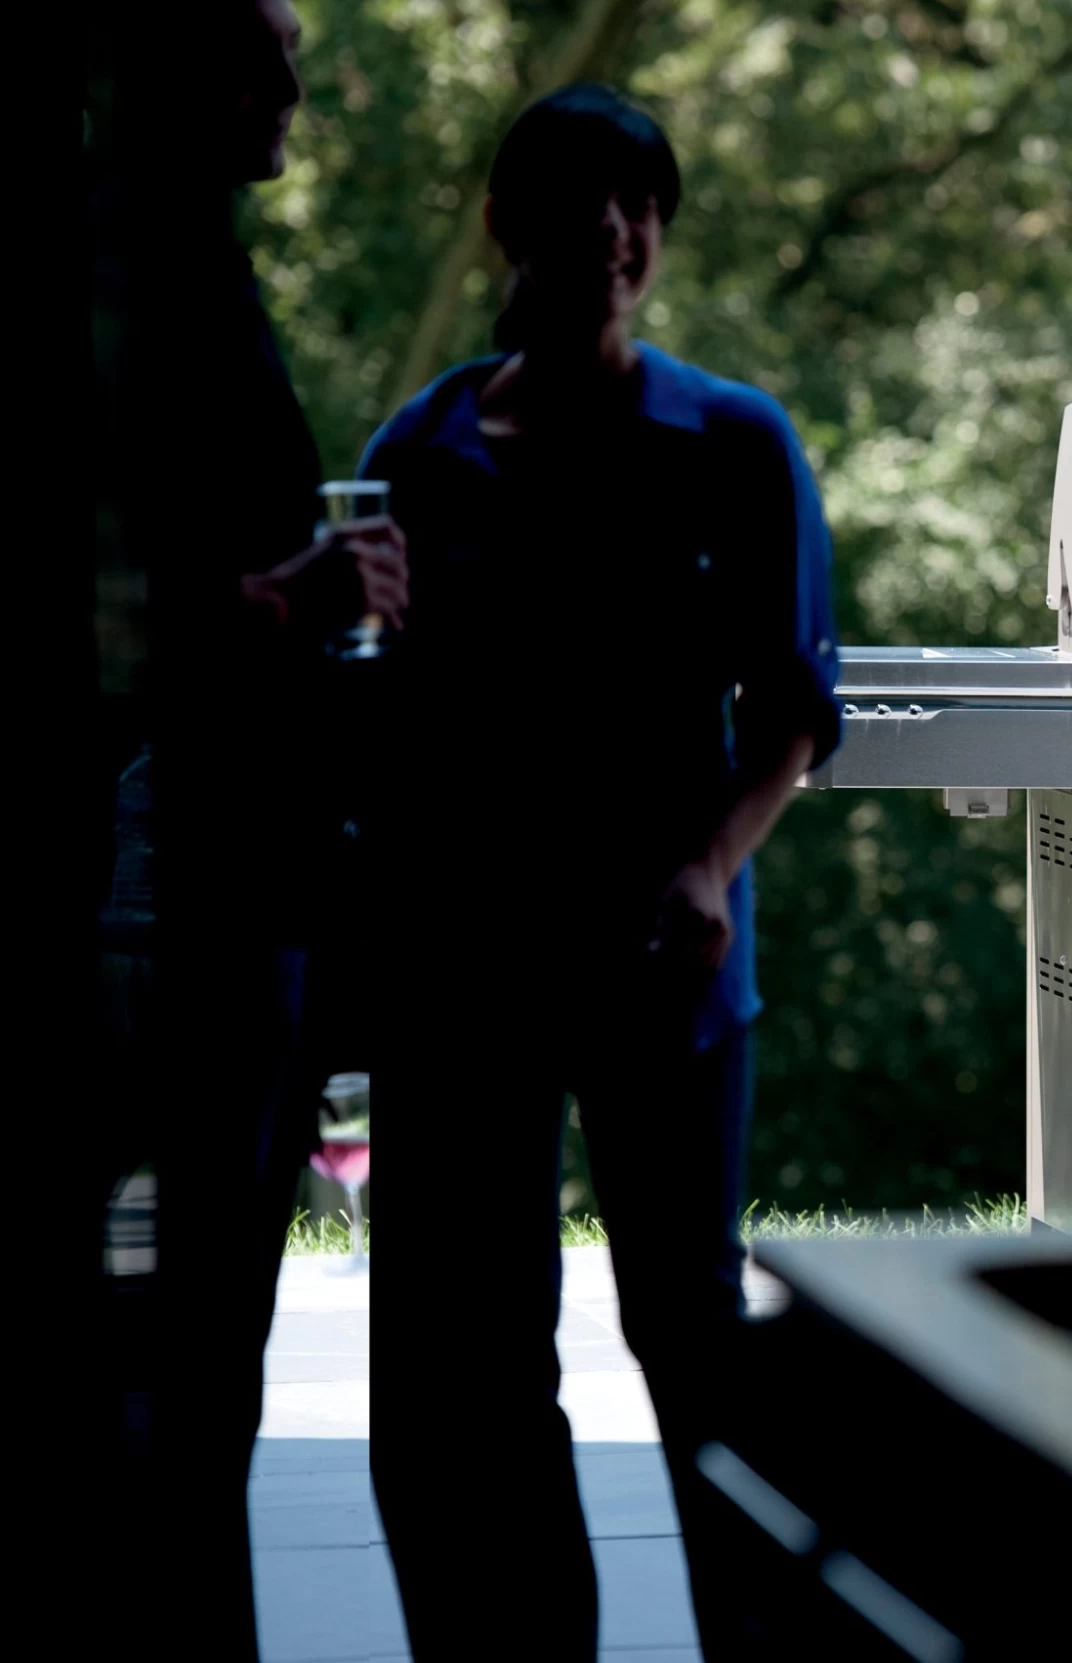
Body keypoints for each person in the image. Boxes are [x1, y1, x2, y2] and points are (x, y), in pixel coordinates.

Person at [359, 84, 842, 1658]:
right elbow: (378, 712)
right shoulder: (422, 452)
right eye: (582, 201)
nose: (617, 233)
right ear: (508, 223)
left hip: (664, 964)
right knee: (475, 1359)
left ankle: (758, 1643)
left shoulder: (734, 441)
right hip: (466, 971)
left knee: (692, 1336)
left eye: (642, 205)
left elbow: (793, 710)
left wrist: (711, 864)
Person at [93, 2, 410, 1649]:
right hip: (178, 904)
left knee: (211, 1357)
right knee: (182, 1350)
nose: (294, 82)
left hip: (240, 888)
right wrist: (291, 596)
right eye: (264, 50)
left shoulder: (194, 272)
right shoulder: (135, 285)